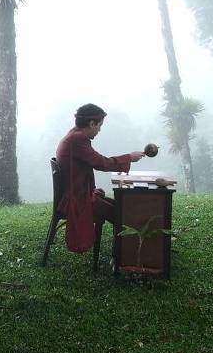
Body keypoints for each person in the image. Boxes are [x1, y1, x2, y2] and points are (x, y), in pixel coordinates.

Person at [55, 103, 145, 252]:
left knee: (120, 208)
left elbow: (97, 162)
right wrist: (129, 157)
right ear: (91, 123)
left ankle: (126, 252)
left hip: (76, 195)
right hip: (75, 201)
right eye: (99, 126)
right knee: (122, 214)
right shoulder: (77, 139)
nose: (99, 130)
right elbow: (101, 163)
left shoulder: (74, 135)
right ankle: (125, 256)